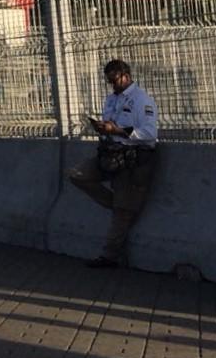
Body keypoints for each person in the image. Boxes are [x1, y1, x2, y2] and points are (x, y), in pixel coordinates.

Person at [67, 59, 158, 268]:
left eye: (114, 80)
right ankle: (119, 204)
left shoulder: (142, 100)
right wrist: (102, 128)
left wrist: (116, 130)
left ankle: (109, 256)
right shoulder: (111, 100)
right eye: (109, 81)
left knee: (122, 213)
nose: (112, 85)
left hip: (133, 159)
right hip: (110, 155)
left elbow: (150, 134)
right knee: (77, 174)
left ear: (125, 76)